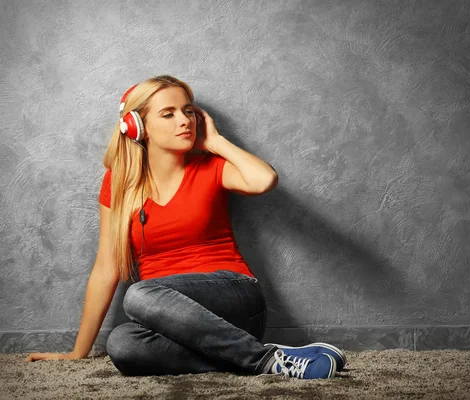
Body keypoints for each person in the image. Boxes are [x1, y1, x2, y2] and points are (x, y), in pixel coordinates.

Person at [23, 75, 347, 379]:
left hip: (235, 297)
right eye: (169, 114)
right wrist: (77, 353)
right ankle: (261, 356)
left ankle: (262, 361)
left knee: (138, 295)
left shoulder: (211, 168)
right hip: (175, 319)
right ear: (138, 127)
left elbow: (265, 180)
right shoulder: (118, 184)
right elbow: (105, 269)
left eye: (188, 111)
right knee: (122, 343)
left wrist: (217, 142)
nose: (184, 121)